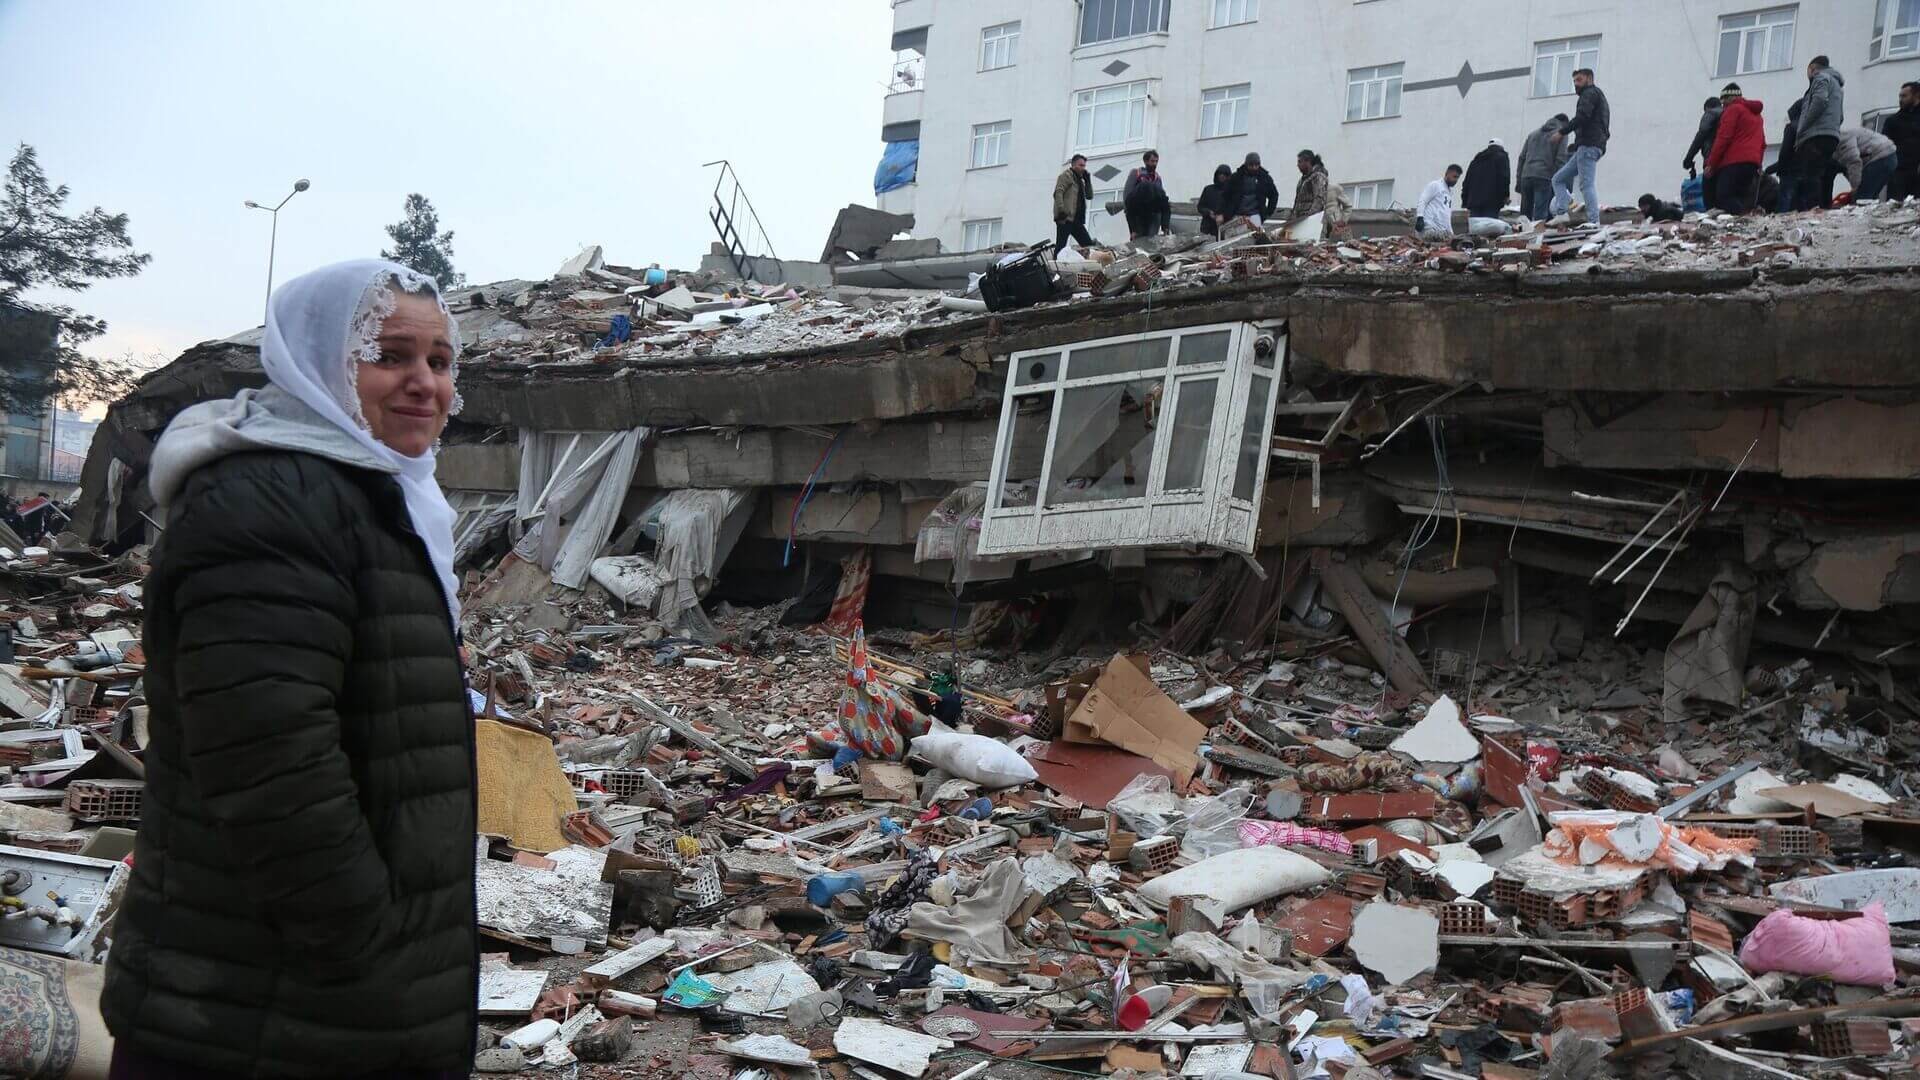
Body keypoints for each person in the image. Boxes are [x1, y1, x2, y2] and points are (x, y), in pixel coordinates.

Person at [100, 260, 478, 1077]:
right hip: (263, 1010)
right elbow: (270, 764)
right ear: (319, 362)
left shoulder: (377, 496)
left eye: (440, 363)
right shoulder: (271, 498)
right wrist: (366, 948)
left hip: (306, 999)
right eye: (391, 356)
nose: (424, 384)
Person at [1550, 68, 1610, 226]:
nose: (1576, 84)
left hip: (1589, 146)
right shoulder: (1597, 96)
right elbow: (1595, 123)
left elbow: (1582, 116)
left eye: (1579, 80)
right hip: (1586, 146)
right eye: (1574, 81)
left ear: (1589, 79)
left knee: (1586, 184)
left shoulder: (1589, 94)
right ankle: (1562, 211)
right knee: (1558, 179)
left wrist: (1561, 132)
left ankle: (1593, 221)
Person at [1792, 55, 1845, 210]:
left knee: (1811, 175)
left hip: (1815, 135)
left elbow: (1819, 101)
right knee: (1823, 174)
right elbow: (1840, 116)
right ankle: (1823, 207)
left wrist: (1803, 127)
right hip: (1831, 135)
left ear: (1812, 68)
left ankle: (1813, 209)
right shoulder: (1837, 85)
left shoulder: (1820, 77)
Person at [1705, 87, 1765, 214]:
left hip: (1734, 162)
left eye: (1724, 101)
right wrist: (1759, 163)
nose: (1723, 105)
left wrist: (1711, 164)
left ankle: (1746, 217)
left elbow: (1723, 138)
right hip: (1751, 164)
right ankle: (1746, 220)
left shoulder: (1733, 109)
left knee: (1723, 196)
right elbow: (1762, 143)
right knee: (1740, 197)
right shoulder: (1757, 115)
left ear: (1730, 98)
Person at [1516, 114, 1569, 221]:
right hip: (1543, 176)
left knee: (1524, 217)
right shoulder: (1561, 134)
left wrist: (1519, 181)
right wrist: (1558, 181)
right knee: (1540, 216)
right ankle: (1537, 236)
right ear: (1564, 124)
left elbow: (1522, 158)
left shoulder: (1532, 134)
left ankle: (1522, 237)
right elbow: (1561, 159)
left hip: (1526, 176)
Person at [1835, 125, 1900, 201]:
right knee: (1871, 196)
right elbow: (1848, 170)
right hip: (1889, 156)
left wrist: (1855, 187)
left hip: (1881, 156)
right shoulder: (1837, 142)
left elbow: (1854, 162)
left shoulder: (1842, 138)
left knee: (1862, 198)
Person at [1683, 95, 1725, 206]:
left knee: (1710, 199)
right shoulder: (1728, 114)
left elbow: (1700, 136)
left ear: (1707, 107)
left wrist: (1688, 158)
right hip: (1729, 164)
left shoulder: (1710, 113)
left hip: (1712, 162)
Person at [1123, 149, 1171, 240]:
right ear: (1146, 161)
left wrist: (1165, 226)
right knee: (1138, 239)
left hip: (1153, 213)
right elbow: (1128, 198)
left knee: (1151, 239)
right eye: (1152, 161)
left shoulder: (1157, 179)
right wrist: (1133, 229)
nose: (1154, 164)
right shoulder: (1136, 173)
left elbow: (1165, 205)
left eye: (1156, 161)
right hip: (1137, 211)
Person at [1053, 154, 1095, 256]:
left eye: (1084, 166)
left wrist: (1088, 180)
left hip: (1076, 220)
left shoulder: (1080, 180)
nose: (1083, 168)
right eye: (1080, 165)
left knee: (1088, 245)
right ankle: (1054, 268)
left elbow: (1089, 196)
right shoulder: (1066, 176)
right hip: (1065, 218)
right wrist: (1061, 210)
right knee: (1060, 247)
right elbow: (1058, 192)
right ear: (1073, 165)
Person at [1224, 152, 1280, 227]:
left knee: (1256, 236)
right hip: (1237, 215)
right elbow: (1226, 195)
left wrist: (1267, 212)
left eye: (1256, 165)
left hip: (1255, 215)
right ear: (1246, 164)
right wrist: (1227, 213)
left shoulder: (1265, 178)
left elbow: (1274, 195)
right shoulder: (1236, 177)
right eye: (1251, 165)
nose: (1254, 167)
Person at [1460, 138, 1511, 219]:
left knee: (1476, 229)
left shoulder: (1476, 160)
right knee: (1489, 229)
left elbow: (1467, 181)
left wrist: (1464, 200)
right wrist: (1505, 196)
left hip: (1474, 202)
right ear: (1501, 147)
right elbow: (1504, 179)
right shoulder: (1502, 157)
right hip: (1492, 202)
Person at [1885, 82, 1920, 200]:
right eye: (1900, 96)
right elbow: (1884, 147)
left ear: (1916, 96)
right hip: (1898, 172)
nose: (1900, 99)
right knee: (1895, 208)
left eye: (1904, 96)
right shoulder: (1892, 121)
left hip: (1917, 170)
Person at [1418, 165, 1462, 240]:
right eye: (1454, 176)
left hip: (1442, 231)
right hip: (1430, 227)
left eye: (1457, 178)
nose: (1456, 180)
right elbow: (1423, 200)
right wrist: (1420, 217)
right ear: (1447, 173)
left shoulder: (1449, 193)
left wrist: (1451, 233)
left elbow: (1447, 214)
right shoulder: (1435, 185)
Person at [1291, 149, 1331, 220]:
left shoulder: (1318, 176)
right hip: (1299, 220)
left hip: (1309, 221)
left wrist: (1310, 217)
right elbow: (1297, 202)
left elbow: (1319, 199)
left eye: (1300, 161)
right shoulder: (1303, 180)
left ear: (1307, 161)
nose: (1297, 165)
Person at [1197, 163, 1234, 238]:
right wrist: (1209, 212)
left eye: (1225, 174)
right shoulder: (1208, 189)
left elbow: (1234, 208)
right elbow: (1200, 207)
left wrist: (1223, 216)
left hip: (1225, 227)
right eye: (1220, 173)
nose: (1222, 176)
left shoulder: (1232, 192)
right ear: (1216, 175)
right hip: (1207, 227)